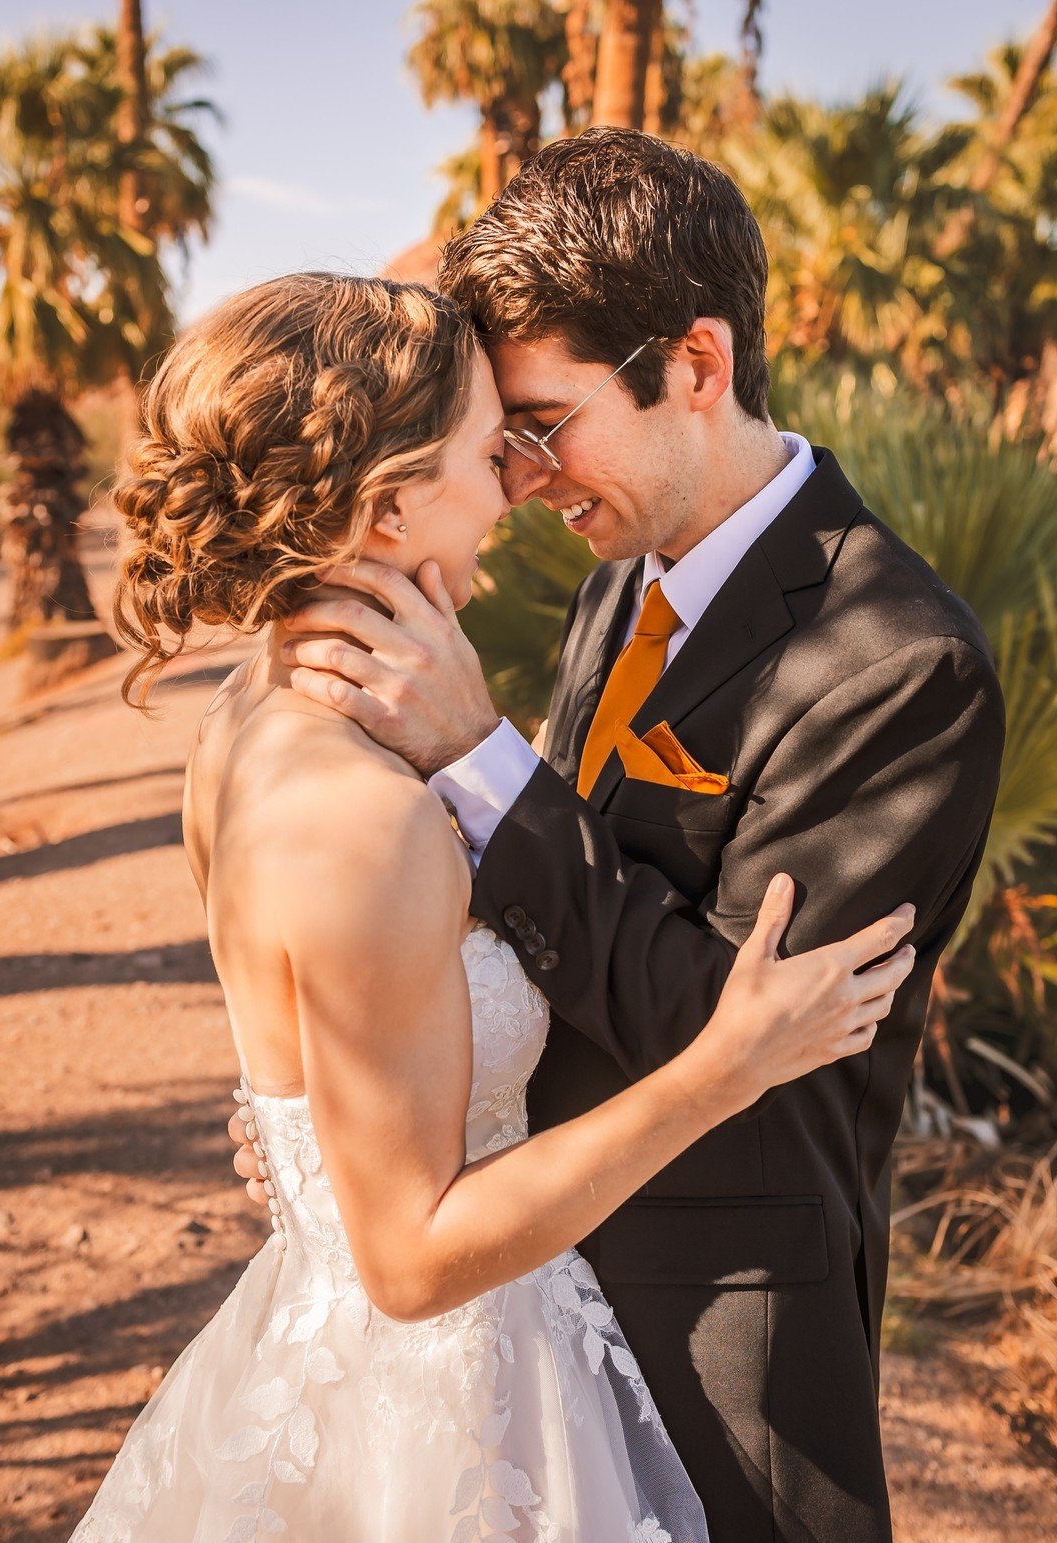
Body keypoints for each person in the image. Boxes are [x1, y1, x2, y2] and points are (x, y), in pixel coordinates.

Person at [243, 130, 1006, 1541]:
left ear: (699, 366)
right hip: (523, 1300)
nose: (525, 477)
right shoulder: (623, 578)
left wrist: (481, 758)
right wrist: (347, 1122)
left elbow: (740, 1028)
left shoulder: (899, 665)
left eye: (546, 420)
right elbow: (533, 924)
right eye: (505, 439)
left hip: (720, 1341)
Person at [71, 271, 916, 1543]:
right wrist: (725, 1066)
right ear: (390, 498)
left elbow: (328, 1053)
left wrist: (307, 1140)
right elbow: (411, 1259)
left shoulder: (247, 713)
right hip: (447, 1417)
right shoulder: (375, 818)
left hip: (342, 1349)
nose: (518, 484)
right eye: (486, 449)